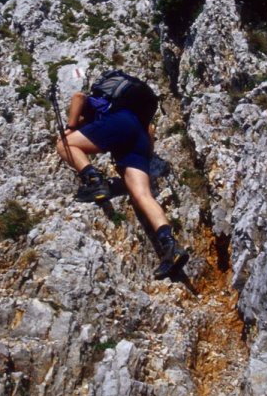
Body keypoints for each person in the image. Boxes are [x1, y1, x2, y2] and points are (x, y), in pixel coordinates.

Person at [56, 82, 188, 280]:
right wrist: (144, 156)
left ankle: (94, 181)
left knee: (64, 144)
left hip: (120, 125)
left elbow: (78, 96)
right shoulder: (131, 111)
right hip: (140, 135)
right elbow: (150, 130)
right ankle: (170, 245)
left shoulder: (97, 102)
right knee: (142, 194)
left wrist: (71, 126)